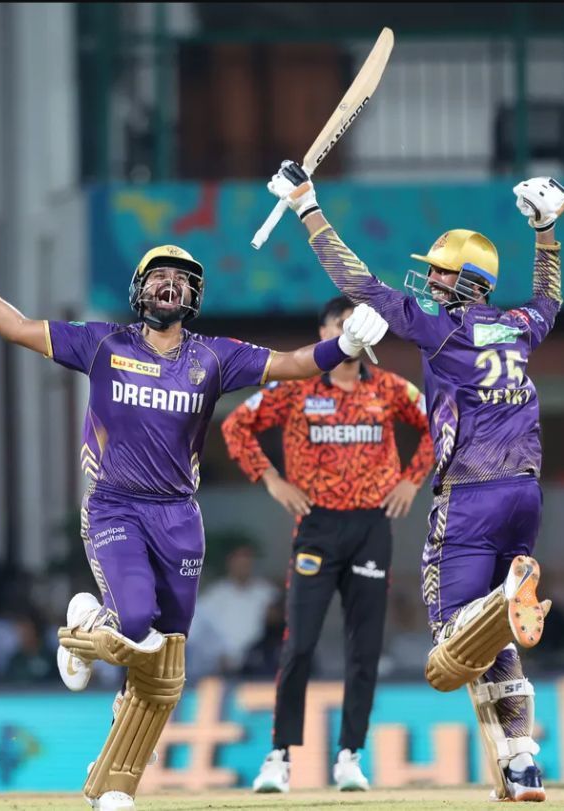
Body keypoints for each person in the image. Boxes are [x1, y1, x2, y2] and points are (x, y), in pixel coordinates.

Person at [0, 234, 388, 811]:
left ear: (194, 295)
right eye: (160, 275)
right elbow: (16, 327)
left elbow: (290, 364)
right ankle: (86, 631)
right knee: (136, 621)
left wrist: (346, 345)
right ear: (141, 289)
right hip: (116, 506)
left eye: (182, 279)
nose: (171, 284)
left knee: (164, 669)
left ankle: (114, 781)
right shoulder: (102, 344)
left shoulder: (213, 356)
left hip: (180, 519)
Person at [266, 162, 564, 802]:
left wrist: (306, 207)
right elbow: (549, 300)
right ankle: (520, 763)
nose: (430, 280)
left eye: (440, 272)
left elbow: (357, 283)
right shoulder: (518, 326)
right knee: (492, 646)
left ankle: (501, 602)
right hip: (526, 493)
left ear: (469, 283)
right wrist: (545, 232)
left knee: (451, 637)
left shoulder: (443, 327)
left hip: (469, 493)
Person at [221, 294, 434, 792]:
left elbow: (438, 426)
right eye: (342, 323)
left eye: (360, 322)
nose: (353, 330)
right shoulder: (295, 388)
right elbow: (236, 426)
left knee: (365, 648)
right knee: (301, 645)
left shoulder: (389, 388)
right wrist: (272, 480)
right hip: (316, 527)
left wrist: (411, 480)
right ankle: (279, 757)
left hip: (371, 528)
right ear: (323, 335)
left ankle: (350, 756)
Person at [192, 543, 278, 675]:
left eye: (247, 563)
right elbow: (200, 629)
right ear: (230, 563)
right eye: (239, 562)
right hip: (220, 664)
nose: (243, 567)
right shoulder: (215, 594)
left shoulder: (267, 593)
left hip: (258, 663)